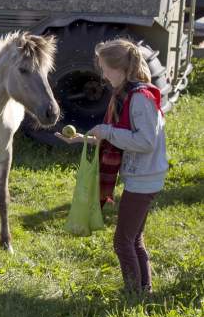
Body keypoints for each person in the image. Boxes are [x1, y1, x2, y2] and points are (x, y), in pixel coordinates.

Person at [56, 39, 167, 294]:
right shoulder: (128, 95)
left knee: (122, 241)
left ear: (122, 69)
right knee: (134, 238)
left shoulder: (139, 98)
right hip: (143, 175)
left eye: (106, 69)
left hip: (144, 178)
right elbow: (116, 137)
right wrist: (80, 139)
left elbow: (145, 141)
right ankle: (143, 289)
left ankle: (133, 292)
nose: (103, 76)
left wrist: (106, 130)